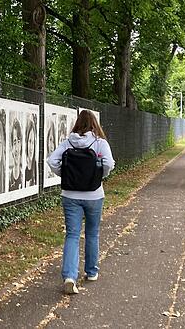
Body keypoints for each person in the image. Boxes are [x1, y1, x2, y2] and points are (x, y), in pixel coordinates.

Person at [46, 109, 115, 295]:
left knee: (72, 235)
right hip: (94, 195)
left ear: (77, 124)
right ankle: (91, 272)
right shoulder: (100, 143)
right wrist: (99, 176)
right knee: (92, 233)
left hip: (70, 195)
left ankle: (69, 276)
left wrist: (65, 174)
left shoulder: (68, 142)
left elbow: (51, 161)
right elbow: (109, 163)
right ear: (95, 124)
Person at [8, 117, 23, 191]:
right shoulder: (7, 180)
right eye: (14, 143)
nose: (16, 148)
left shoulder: (24, 178)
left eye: (18, 142)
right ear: (11, 148)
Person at [24, 115, 37, 187]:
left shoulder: (35, 167)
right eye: (29, 141)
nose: (31, 147)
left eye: (33, 142)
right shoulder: (23, 167)